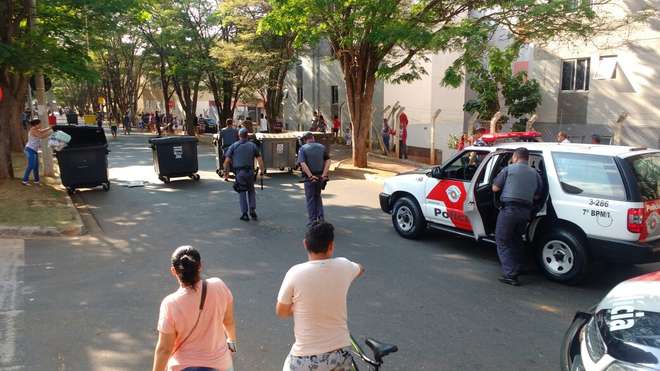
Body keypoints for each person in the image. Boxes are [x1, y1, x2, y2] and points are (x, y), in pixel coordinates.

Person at [276, 221, 364, 371]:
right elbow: (361, 268)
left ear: (305, 244)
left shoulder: (295, 273)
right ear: (331, 246)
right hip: (341, 355)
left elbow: (281, 311)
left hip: (305, 359)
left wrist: (300, 308)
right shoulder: (344, 266)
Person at [152, 246, 236, 371]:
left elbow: (164, 349)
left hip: (183, 366)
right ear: (200, 266)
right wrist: (231, 342)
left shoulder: (170, 304)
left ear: (174, 271)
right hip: (221, 365)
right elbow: (228, 321)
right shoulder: (218, 286)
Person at [491, 147, 543, 286]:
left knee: (502, 240)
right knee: (516, 239)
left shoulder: (508, 170)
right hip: (525, 212)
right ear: (528, 158)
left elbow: (495, 188)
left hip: (509, 210)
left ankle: (510, 274)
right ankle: (520, 267)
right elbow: (537, 195)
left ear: (515, 157)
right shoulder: (536, 174)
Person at [223, 128, 264, 221]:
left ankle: (244, 213)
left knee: (242, 192)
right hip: (250, 172)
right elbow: (260, 160)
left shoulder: (234, 146)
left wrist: (226, 173)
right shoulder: (253, 146)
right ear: (247, 135)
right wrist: (262, 171)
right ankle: (252, 209)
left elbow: (226, 161)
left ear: (239, 135)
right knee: (251, 190)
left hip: (239, 173)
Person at [297, 132, 331, 226]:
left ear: (305, 140)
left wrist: (310, 176)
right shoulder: (322, 147)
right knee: (317, 196)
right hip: (320, 176)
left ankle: (313, 220)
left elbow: (302, 164)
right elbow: (328, 160)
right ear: (313, 138)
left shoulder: (303, 149)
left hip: (310, 179)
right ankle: (321, 218)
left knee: (311, 199)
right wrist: (324, 175)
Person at [22, 119, 52, 186]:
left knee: (36, 166)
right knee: (31, 165)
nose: (40, 125)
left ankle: (36, 181)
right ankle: (24, 180)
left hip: (34, 150)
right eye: (39, 124)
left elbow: (41, 131)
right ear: (36, 125)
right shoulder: (33, 130)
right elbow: (41, 136)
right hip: (29, 149)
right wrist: (50, 132)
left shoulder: (36, 129)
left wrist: (50, 127)